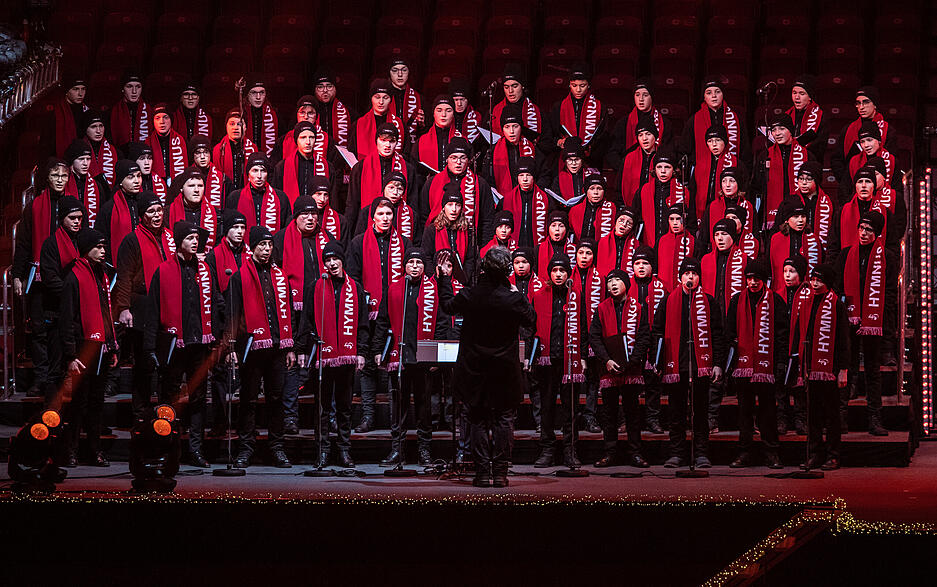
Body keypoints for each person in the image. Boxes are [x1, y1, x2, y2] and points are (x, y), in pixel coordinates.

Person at [438, 246, 536, 487]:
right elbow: (531, 320)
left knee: (478, 419)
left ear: (483, 268)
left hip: (475, 369)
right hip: (504, 370)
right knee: (504, 419)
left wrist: (444, 277)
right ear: (507, 271)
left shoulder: (471, 295)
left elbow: (448, 306)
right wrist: (517, 292)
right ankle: (500, 473)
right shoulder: (512, 297)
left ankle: (482, 473)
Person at [143, 221, 224, 467]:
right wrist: (150, 347)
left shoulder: (205, 269)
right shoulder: (164, 270)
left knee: (198, 398)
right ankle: (168, 449)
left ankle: (196, 450)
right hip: (174, 344)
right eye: (190, 238)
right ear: (179, 241)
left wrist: (217, 338)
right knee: (169, 398)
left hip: (199, 343)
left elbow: (213, 304)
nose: (195, 242)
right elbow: (153, 310)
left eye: (196, 238)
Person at [226, 225, 297, 468]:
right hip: (252, 347)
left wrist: (289, 347)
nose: (266, 250)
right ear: (252, 247)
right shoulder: (239, 276)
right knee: (249, 399)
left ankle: (276, 448)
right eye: (261, 246)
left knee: (276, 398)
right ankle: (246, 448)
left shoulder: (280, 275)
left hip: (277, 347)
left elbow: (287, 314)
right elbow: (232, 315)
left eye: (269, 245)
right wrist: (231, 347)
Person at [376, 248, 451, 467]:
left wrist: (436, 357)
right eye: (411, 262)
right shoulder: (394, 289)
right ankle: (397, 450)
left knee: (423, 407)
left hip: (423, 359)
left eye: (419, 262)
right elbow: (382, 321)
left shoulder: (432, 290)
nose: (415, 266)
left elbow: (442, 324)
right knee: (398, 406)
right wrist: (378, 350)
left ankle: (424, 451)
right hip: (399, 358)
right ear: (405, 266)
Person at [298, 240, 368, 468]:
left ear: (342, 259)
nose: (331, 263)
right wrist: (302, 350)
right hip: (323, 356)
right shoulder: (315, 287)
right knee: (322, 406)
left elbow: (363, 324)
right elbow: (306, 321)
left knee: (345, 406)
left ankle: (344, 450)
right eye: (327, 260)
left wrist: (361, 352)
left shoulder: (355, 288)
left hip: (347, 356)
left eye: (335, 258)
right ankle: (323, 450)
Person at [347, 197, 414, 432]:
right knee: (368, 366)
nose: (386, 218)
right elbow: (353, 278)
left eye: (389, 214)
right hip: (368, 312)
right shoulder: (358, 243)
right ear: (372, 217)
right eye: (381, 214)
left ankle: (396, 418)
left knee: (392, 364)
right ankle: (368, 416)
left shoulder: (404, 243)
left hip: (396, 313)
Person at [653, 257, 726, 469]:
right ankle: (677, 454)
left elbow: (717, 334)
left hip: (700, 365)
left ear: (699, 277)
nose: (690, 277)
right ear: (680, 277)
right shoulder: (668, 301)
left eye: (694, 274)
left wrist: (718, 363)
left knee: (700, 412)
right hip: (676, 365)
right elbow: (657, 331)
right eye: (687, 274)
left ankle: (701, 453)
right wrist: (657, 361)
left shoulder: (709, 301)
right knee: (676, 413)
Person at [833, 210, 897, 437]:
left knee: (872, 371)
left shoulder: (888, 256)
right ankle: (840, 418)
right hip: (848, 320)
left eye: (869, 229)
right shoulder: (845, 254)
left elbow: (889, 293)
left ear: (877, 233)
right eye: (861, 228)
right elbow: (838, 288)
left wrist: (884, 324)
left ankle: (874, 418)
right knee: (845, 367)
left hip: (874, 321)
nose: (863, 233)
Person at [273, 196, 333, 434]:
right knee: (292, 364)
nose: (310, 218)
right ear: (296, 217)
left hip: (321, 310)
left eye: (314, 214)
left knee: (321, 365)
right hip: (292, 312)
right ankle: (289, 416)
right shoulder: (280, 239)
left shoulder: (325, 239)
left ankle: (325, 418)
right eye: (305, 214)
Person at [13, 158, 73, 396]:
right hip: (39, 278)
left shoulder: (73, 205)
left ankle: (57, 379)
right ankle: (41, 378)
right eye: (55, 176)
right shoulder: (36, 205)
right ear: (47, 178)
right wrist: (17, 275)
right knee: (39, 330)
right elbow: (24, 243)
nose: (60, 180)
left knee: (62, 329)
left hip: (64, 276)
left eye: (64, 176)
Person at [112, 191, 174, 420]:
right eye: (151, 211)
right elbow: (124, 276)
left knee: (167, 362)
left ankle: (167, 410)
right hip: (142, 305)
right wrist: (124, 308)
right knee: (144, 364)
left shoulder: (169, 236)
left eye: (159, 210)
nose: (157, 215)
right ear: (142, 216)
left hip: (167, 305)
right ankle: (141, 413)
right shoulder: (132, 240)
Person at [60, 229, 118, 467]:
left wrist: (112, 346)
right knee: (78, 403)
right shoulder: (74, 277)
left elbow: (106, 313)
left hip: (101, 347)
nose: (103, 251)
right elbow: (66, 319)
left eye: (104, 247)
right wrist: (71, 355)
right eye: (99, 247)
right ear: (86, 249)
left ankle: (95, 450)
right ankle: (71, 450)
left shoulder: (102, 275)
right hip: (83, 349)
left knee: (96, 403)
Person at [788, 264, 851, 470]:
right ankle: (814, 454)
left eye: (819, 280)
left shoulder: (836, 305)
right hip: (809, 367)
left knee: (832, 415)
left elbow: (843, 340)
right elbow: (799, 333)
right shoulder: (805, 303)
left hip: (830, 369)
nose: (814, 283)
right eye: (813, 279)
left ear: (828, 282)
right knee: (812, 414)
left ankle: (833, 455)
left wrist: (843, 369)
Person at [726, 259, 787, 469]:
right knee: (744, 411)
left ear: (764, 280)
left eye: (756, 279)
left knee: (768, 411)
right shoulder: (736, 301)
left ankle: (772, 452)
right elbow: (729, 333)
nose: (752, 282)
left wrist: (779, 363)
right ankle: (744, 453)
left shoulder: (776, 301)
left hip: (766, 366)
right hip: (743, 366)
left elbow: (782, 335)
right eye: (749, 278)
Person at [531, 253, 588, 468]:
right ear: (549, 273)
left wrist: (582, 356)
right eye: (554, 270)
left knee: (570, 408)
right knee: (547, 407)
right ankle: (547, 450)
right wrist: (531, 355)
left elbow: (583, 328)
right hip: (546, 361)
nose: (558, 274)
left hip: (569, 360)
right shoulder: (538, 296)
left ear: (568, 273)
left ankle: (570, 451)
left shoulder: (576, 296)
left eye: (562, 271)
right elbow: (530, 328)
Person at [590, 269, 652, 468]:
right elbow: (595, 337)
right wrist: (607, 360)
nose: (613, 284)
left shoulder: (639, 307)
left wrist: (632, 360)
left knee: (632, 413)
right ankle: (610, 453)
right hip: (609, 368)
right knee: (609, 413)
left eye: (617, 280)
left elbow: (644, 336)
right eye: (610, 281)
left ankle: (635, 453)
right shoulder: (601, 308)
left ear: (627, 284)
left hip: (631, 369)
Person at [204, 210, 250, 436]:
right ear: (227, 230)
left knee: (247, 374)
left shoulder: (250, 253)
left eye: (243, 228)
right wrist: (229, 308)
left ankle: (243, 426)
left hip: (248, 321)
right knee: (221, 374)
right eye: (236, 228)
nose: (240, 232)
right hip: (223, 321)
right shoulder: (214, 256)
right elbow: (212, 290)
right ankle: (220, 423)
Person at [38, 196, 85, 408]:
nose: (77, 222)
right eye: (72, 218)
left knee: (82, 371)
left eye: (80, 218)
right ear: (61, 219)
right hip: (57, 313)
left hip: (80, 316)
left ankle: (77, 419)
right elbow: (50, 279)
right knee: (56, 370)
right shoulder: (51, 244)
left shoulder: (84, 240)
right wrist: (76, 295)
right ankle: (51, 416)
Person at [345, 122, 414, 237]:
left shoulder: (408, 169)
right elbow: (352, 205)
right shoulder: (360, 168)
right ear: (376, 141)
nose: (387, 145)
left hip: (399, 226)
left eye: (391, 141)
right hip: (366, 226)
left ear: (397, 143)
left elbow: (413, 204)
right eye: (383, 140)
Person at [679, 76, 750, 180]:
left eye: (717, 92)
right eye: (709, 93)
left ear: (723, 94)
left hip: (730, 177)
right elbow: (684, 150)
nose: (714, 96)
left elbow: (745, 152)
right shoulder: (694, 121)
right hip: (702, 176)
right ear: (704, 97)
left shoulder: (736, 120)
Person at [630, 245, 668, 433]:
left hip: (654, 341)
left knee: (653, 384)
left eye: (646, 263)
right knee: (631, 384)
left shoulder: (662, 288)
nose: (641, 267)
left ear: (653, 266)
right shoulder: (626, 286)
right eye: (637, 263)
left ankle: (653, 418)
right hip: (632, 342)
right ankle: (630, 420)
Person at [542, 63, 610, 167]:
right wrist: (558, 142)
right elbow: (549, 136)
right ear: (569, 85)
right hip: (566, 160)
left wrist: (589, 153)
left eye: (582, 86)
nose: (578, 90)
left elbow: (604, 138)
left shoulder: (599, 107)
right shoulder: (559, 107)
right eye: (574, 85)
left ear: (589, 85)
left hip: (591, 161)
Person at [831, 86, 897, 188]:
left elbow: (892, 163)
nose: (861, 107)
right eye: (858, 103)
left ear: (875, 104)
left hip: (881, 187)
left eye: (866, 102)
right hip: (853, 187)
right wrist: (848, 182)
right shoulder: (847, 130)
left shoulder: (888, 131)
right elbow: (837, 160)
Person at [753, 114, 811, 229]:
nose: (777, 133)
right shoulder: (765, 155)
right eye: (773, 130)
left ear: (791, 130)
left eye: (782, 128)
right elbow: (757, 185)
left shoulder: (806, 155)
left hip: (799, 216)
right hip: (771, 214)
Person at [571, 238, 604, 433]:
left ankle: (590, 416)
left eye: (588, 253)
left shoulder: (601, 278)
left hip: (593, 333)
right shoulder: (568, 277)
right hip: (573, 332)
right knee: (574, 378)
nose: (584, 257)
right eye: (581, 253)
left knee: (593, 379)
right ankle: (573, 417)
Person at [483, 104, 549, 198]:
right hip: (502, 201)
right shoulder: (493, 151)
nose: (511, 131)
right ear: (502, 129)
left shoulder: (532, 148)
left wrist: (536, 191)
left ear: (521, 127)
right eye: (507, 127)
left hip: (530, 198)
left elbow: (545, 174)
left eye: (515, 126)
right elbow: (487, 180)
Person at [606, 78, 671, 171]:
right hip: (629, 172)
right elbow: (612, 152)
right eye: (637, 95)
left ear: (652, 96)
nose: (641, 99)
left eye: (645, 95)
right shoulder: (623, 123)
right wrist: (624, 169)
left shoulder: (664, 124)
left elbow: (669, 152)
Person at [777, 255, 810, 435]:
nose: (787, 275)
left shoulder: (809, 294)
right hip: (782, 347)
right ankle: (782, 418)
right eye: (785, 271)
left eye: (792, 271)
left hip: (800, 347)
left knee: (799, 388)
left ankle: (800, 418)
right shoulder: (777, 295)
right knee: (780, 387)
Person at [421, 184, 477, 287]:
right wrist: (434, 278)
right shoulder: (432, 229)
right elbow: (426, 257)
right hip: (437, 283)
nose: (454, 209)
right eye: (450, 204)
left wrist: (464, 279)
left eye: (458, 205)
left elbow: (471, 258)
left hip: (461, 284)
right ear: (443, 207)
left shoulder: (467, 231)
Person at [273, 120, 336, 208]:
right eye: (303, 137)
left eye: (311, 137)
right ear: (296, 140)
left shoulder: (327, 167)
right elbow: (276, 199)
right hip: (291, 217)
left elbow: (333, 200)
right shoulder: (282, 167)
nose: (308, 142)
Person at [226, 152, 291, 232]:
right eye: (255, 170)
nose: (259, 176)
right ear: (248, 174)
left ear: (267, 174)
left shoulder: (281, 198)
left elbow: (287, 230)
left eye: (263, 171)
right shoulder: (235, 197)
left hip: (272, 243)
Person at [495, 157, 552, 249]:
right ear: (517, 177)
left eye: (528, 175)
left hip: (537, 247)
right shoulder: (506, 200)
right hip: (514, 248)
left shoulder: (545, 199)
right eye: (521, 175)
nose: (525, 179)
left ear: (534, 177)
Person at [769, 200, 824, 292]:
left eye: (803, 216)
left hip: (806, 290)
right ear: (786, 220)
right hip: (782, 288)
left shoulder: (813, 238)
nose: (800, 220)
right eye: (795, 217)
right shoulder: (776, 239)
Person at [634, 149, 686, 247]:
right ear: (654, 169)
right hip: (647, 243)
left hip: (674, 244)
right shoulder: (643, 190)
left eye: (667, 167)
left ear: (674, 170)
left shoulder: (682, 191)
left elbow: (690, 222)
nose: (663, 171)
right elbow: (636, 218)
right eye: (659, 167)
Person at [97, 159, 143, 264]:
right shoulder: (109, 208)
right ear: (121, 181)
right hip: (118, 265)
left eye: (139, 176)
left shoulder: (144, 202)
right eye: (130, 177)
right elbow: (102, 240)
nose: (136, 181)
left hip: (143, 261)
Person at [691, 125, 738, 224]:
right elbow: (693, 192)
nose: (714, 144)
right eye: (710, 141)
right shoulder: (700, 164)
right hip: (703, 214)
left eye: (718, 140)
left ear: (725, 141)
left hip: (727, 212)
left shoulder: (736, 163)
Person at [351, 79, 406, 160]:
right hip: (365, 170)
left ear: (390, 100)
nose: (381, 102)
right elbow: (351, 154)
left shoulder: (400, 125)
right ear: (371, 98)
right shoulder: (358, 125)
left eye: (385, 98)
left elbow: (406, 154)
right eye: (377, 97)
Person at [166, 167, 217, 250]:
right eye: (191, 186)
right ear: (181, 188)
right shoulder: (168, 213)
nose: (196, 190)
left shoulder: (214, 213)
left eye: (200, 186)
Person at [787, 161, 835, 251]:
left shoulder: (828, 202)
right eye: (801, 179)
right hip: (796, 248)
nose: (804, 183)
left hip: (820, 250)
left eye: (809, 179)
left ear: (816, 181)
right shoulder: (790, 201)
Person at [358, 171, 417, 242]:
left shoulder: (410, 214)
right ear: (384, 188)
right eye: (391, 187)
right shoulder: (368, 211)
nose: (395, 192)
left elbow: (416, 243)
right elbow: (359, 241)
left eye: (400, 189)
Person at [490, 63, 542, 140]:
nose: (510, 91)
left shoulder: (535, 110)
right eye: (506, 87)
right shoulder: (495, 111)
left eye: (514, 86)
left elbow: (546, 142)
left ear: (522, 86)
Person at [412, 94, 460, 177]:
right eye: (439, 110)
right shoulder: (421, 142)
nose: (443, 114)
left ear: (453, 114)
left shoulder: (462, 141)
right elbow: (414, 174)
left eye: (448, 111)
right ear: (433, 113)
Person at [63, 139, 107, 228]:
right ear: (73, 160)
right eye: (81, 159)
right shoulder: (63, 183)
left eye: (88, 159)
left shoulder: (97, 185)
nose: (85, 163)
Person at [617, 115, 660, 206]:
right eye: (640, 135)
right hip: (634, 206)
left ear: (655, 136)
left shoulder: (662, 157)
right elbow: (619, 188)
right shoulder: (628, 158)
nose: (644, 138)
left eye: (648, 134)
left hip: (656, 204)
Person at [212, 110, 258, 190]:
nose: (236, 127)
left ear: (245, 127)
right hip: (225, 193)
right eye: (232, 124)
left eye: (239, 124)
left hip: (246, 193)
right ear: (226, 126)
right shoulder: (218, 150)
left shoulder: (253, 148)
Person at [786, 75, 828, 162]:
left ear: (810, 97)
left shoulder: (820, 117)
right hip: (788, 161)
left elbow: (819, 147)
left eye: (802, 93)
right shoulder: (787, 115)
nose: (797, 97)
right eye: (794, 93)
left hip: (810, 163)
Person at [47, 74, 89, 158]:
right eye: (75, 89)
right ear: (67, 91)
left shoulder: (87, 111)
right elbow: (48, 146)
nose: (80, 94)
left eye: (83, 89)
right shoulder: (55, 114)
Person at [188, 134, 231, 215]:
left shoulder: (223, 179)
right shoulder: (184, 179)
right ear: (192, 155)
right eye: (198, 153)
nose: (202, 157)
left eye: (206, 152)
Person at [656, 204, 695, 292]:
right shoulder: (661, 241)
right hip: (663, 290)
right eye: (671, 219)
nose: (675, 223)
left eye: (678, 219)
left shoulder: (693, 241)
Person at [145, 103, 188, 182]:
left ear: (171, 120)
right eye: (157, 118)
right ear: (153, 121)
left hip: (175, 184)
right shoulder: (147, 142)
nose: (162, 122)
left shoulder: (180, 141)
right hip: (155, 184)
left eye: (166, 117)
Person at [568, 173, 616, 242]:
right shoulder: (575, 210)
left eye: (599, 189)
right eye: (592, 188)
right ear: (586, 191)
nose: (596, 192)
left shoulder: (611, 209)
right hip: (580, 249)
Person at [596, 206, 640, 278]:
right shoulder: (601, 242)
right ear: (615, 221)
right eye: (621, 220)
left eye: (629, 223)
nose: (624, 224)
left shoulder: (637, 245)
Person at [109, 70, 149, 148]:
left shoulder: (149, 111)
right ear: (122, 89)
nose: (134, 91)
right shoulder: (113, 112)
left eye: (138, 87)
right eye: (129, 86)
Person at [312, 69, 351, 148]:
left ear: (335, 88)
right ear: (315, 90)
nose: (325, 90)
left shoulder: (349, 113)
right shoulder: (306, 112)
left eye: (329, 86)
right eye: (320, 87)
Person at [388, 58, 424, 143]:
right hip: (388, 145)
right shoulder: (382, 98)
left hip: (411, 146)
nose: (400, 74)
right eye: (395, 70)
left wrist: (422, 125)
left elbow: (425, 131)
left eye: (404, 70)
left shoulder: (419, 98)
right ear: (389, 73)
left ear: (409, 73)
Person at [242, 78, 279, 157]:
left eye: (262, 92)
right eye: (254, 93)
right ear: (247, 94)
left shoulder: (274, 115)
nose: (258, 97)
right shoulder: (240, 114)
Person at [82, 110, 118, 187]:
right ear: (86, 128)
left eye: (101, 126)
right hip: (89, 193)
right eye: (93, 127)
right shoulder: (77, 150)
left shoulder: (113, 151)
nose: (98, 131)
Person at [535, 210, 576, 278]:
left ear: (566, 229)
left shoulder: (574, 249)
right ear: (548, 228)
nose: (557, 229)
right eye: (553, 225)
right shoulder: (538, 249)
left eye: (561, 226)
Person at [549, 137, 588, 208]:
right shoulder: (559, 179)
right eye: (570, 160)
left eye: (577, 159)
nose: (573, 163)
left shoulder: (588, 175)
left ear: (582, 161)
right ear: (565, 161)